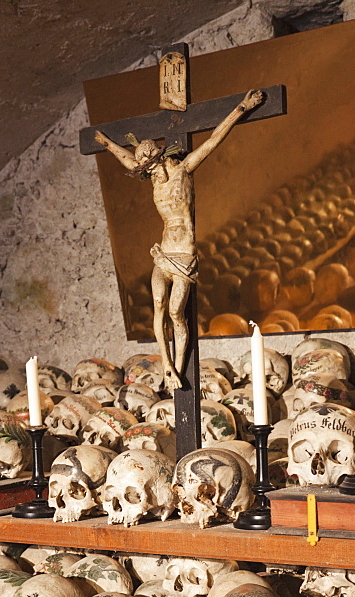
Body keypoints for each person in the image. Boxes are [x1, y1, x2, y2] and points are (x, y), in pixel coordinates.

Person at [94, 88, 264, 390]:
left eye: (148, 168)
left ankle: (180, 366)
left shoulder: (183, 171)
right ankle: (167, 365)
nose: (146, 175)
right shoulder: (154, 180)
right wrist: (107, 144)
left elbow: (213, 141)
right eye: (143, 170)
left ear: (160, 159)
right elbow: (126, 160)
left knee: (176, 313)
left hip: (184, 255)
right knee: (158, 305)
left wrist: (242, 107)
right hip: (162, 254)